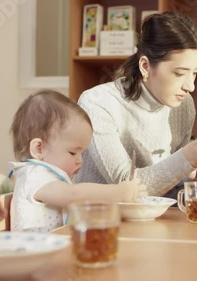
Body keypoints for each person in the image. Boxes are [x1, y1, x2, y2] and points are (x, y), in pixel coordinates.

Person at [74, 11, 197, 198]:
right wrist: (195, 152)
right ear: (145, 66)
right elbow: (127, 189)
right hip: (100, 222)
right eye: (179, 73)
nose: (190, 86)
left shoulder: (184, 105)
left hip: (156, 222)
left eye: (195, 73)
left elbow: (166, 180)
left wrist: (192, 182)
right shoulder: (98, 103)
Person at [9, 90, 147, 232]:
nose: (80, 160)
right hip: (33, 252)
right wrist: (119, 192)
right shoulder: (33, 175)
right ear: (39, 148)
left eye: (82, 153)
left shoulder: (51, 178)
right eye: (73, 152)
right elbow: (74, 195)